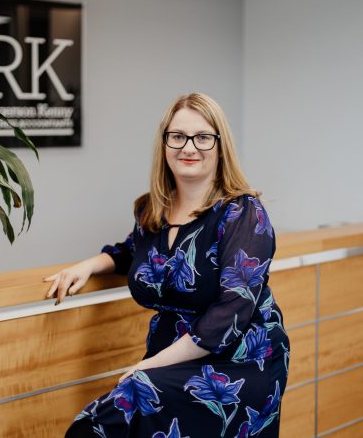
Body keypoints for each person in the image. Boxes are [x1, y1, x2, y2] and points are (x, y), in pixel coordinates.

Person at [45, 93, 290, 438]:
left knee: (103, 422)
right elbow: (131, 252)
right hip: (169, 358)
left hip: (238, 364)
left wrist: (149, 365)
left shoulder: (242, 213)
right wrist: (86, 267)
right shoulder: (152, 210)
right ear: (164, 144)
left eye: (203, 137)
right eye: (177, 136)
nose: (189, 147)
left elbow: (231, 312)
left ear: (220, 146)